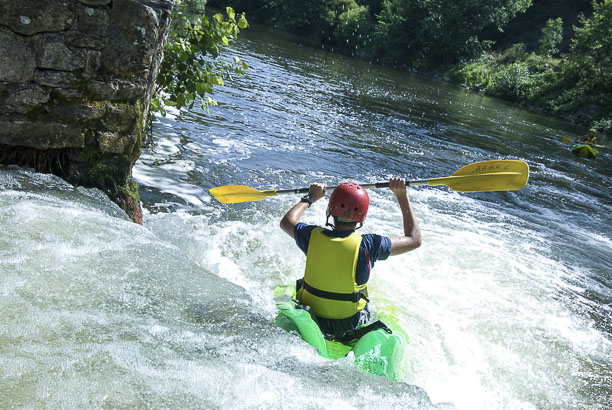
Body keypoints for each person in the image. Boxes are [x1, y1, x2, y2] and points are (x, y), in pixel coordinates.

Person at [280, 178, 421, 339]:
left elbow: (287, 221)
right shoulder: (370, 245)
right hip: (349, 324)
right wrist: (402, 195)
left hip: (311, 315)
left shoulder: (311, 236)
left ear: (329, 212)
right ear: (362, 217)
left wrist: (310, 198)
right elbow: (414, 240)